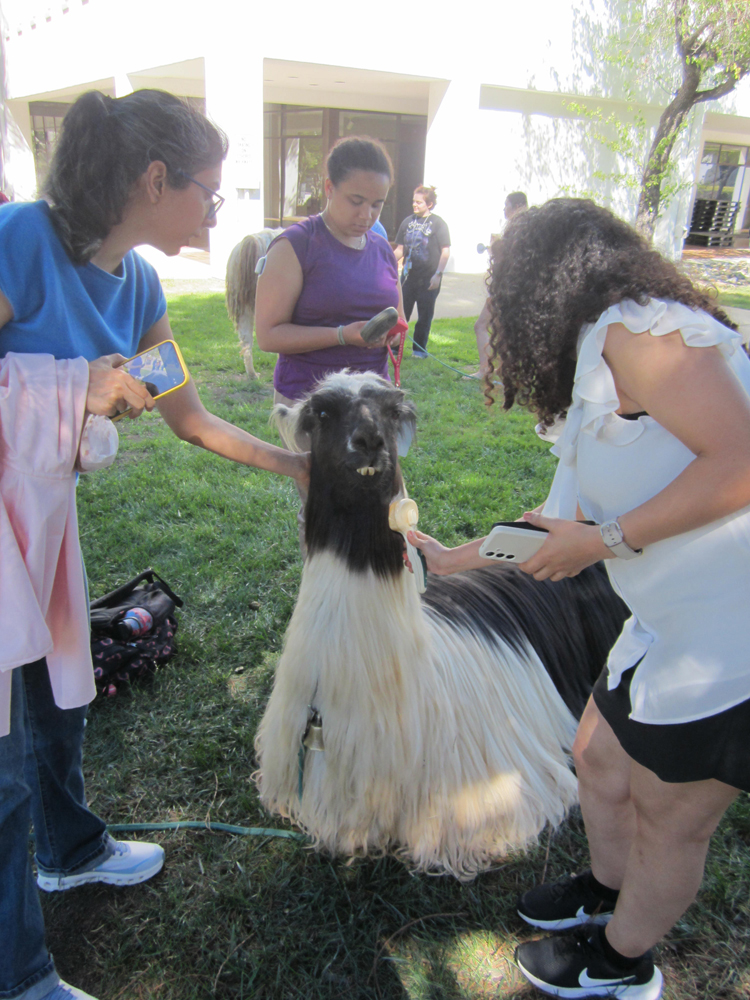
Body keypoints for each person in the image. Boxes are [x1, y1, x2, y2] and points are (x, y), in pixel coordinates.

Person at [0, 88, 308, 1000]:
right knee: (4, 765)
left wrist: (295, 468)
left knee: (60, 703)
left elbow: (189, 415)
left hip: (41, 534)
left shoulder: (137, 286)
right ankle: (18, 976)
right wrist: (72, 388)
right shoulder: (17, 242)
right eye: (210, 192)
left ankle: (73, 851)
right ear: (154, 177)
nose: (219, 211)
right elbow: (73, 389)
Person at [408, 198, 750, 1000]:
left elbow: (741, 461)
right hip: (675, 613)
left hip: (733, 634)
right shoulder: (601, 356)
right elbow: (557, 520)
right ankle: (604, 889)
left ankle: (626, 961)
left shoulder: (642, 332)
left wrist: (604, 542)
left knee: (673, 814)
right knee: (596, 754)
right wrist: (452, 560)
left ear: (538, 283)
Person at [255, 135, 404, 406]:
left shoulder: (383, 249)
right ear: (329, 188)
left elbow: (399, 320)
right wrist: (342, 335)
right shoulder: (295, 245)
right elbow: (267, 335)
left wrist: (391, 334)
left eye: (376, 204)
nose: (366, 215)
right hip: (312, 406)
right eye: (356, 201)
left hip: (374, 403)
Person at [473, 191, 527, 378]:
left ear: (518, 206)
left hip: (506, 289)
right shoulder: (525, 228)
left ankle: (485, 369)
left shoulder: (519, 229)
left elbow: (512, 260)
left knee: (481, 325)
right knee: (505, 330)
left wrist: (496, 248)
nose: (504, 209)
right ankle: (502, 370)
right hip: (512, 288)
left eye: (507, 205)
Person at [394, 186, 451, 358]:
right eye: (413, 201)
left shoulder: (439, 224)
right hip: (408, 277)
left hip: (429, 278)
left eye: (419, 202)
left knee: (424, 316)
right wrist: (386, 261)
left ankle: (419, 350)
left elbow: (445, 251)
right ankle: (396, 347)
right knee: (401, 313)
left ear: (430, 204)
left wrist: (438, 275)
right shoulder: (407, 222)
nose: (414, 205)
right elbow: (399, 250)